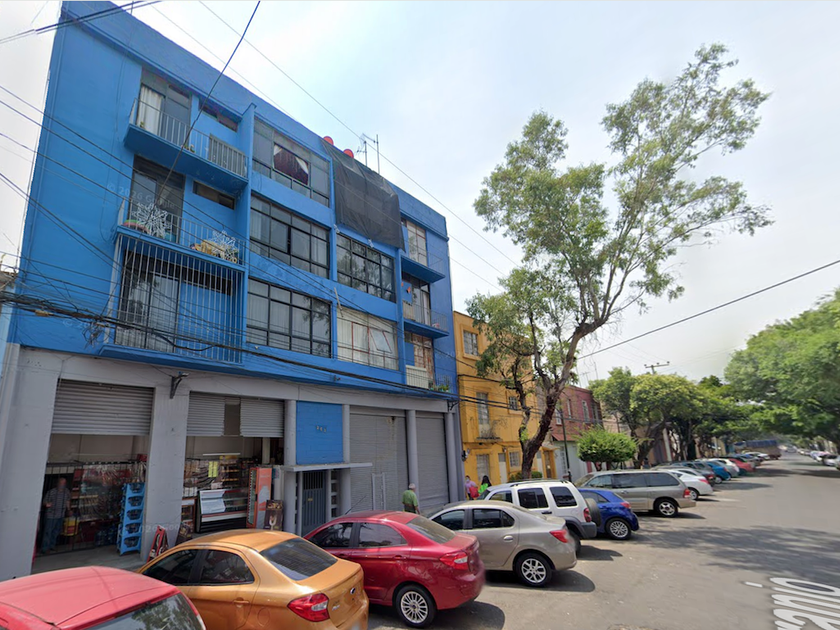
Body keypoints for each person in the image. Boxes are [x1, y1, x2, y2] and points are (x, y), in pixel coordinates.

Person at [41, 477, 71, 554]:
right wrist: (47, 504)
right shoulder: (51, 492)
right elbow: (44, 502)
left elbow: (67, 501)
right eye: (61, 483)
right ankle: (45, 548)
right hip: (51, 515)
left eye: (64, 483)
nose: (62, 485)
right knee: (48, 532)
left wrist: (68, 509)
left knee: (56, 531)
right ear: (57, 483)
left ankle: (52, 545)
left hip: (61, 514)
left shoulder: (66, 492)